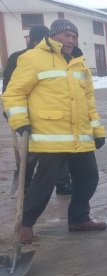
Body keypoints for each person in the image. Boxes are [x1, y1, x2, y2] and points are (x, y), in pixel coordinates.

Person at [2, 19, 107, 244]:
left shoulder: (80, 63)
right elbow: (14, 93)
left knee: (89, 178)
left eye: (74, 36)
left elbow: (89, 101)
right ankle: (25, 225)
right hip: (49, 134)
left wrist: (97, 130)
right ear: (53, 36)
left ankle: (79, 219)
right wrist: (20, 121)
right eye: (66, 35)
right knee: (44, 183)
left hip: (80, 135)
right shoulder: (33, 58)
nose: (70, 40)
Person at [2, 25, 73, 196]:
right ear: (33, 41)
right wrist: (14, 116)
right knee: (31, 152)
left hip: (50, 114)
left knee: (59, 148)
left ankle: (62, 184)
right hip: (25, 115)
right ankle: (24, 185)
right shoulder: (19, 58)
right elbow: (10, 90)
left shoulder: (57, 57)